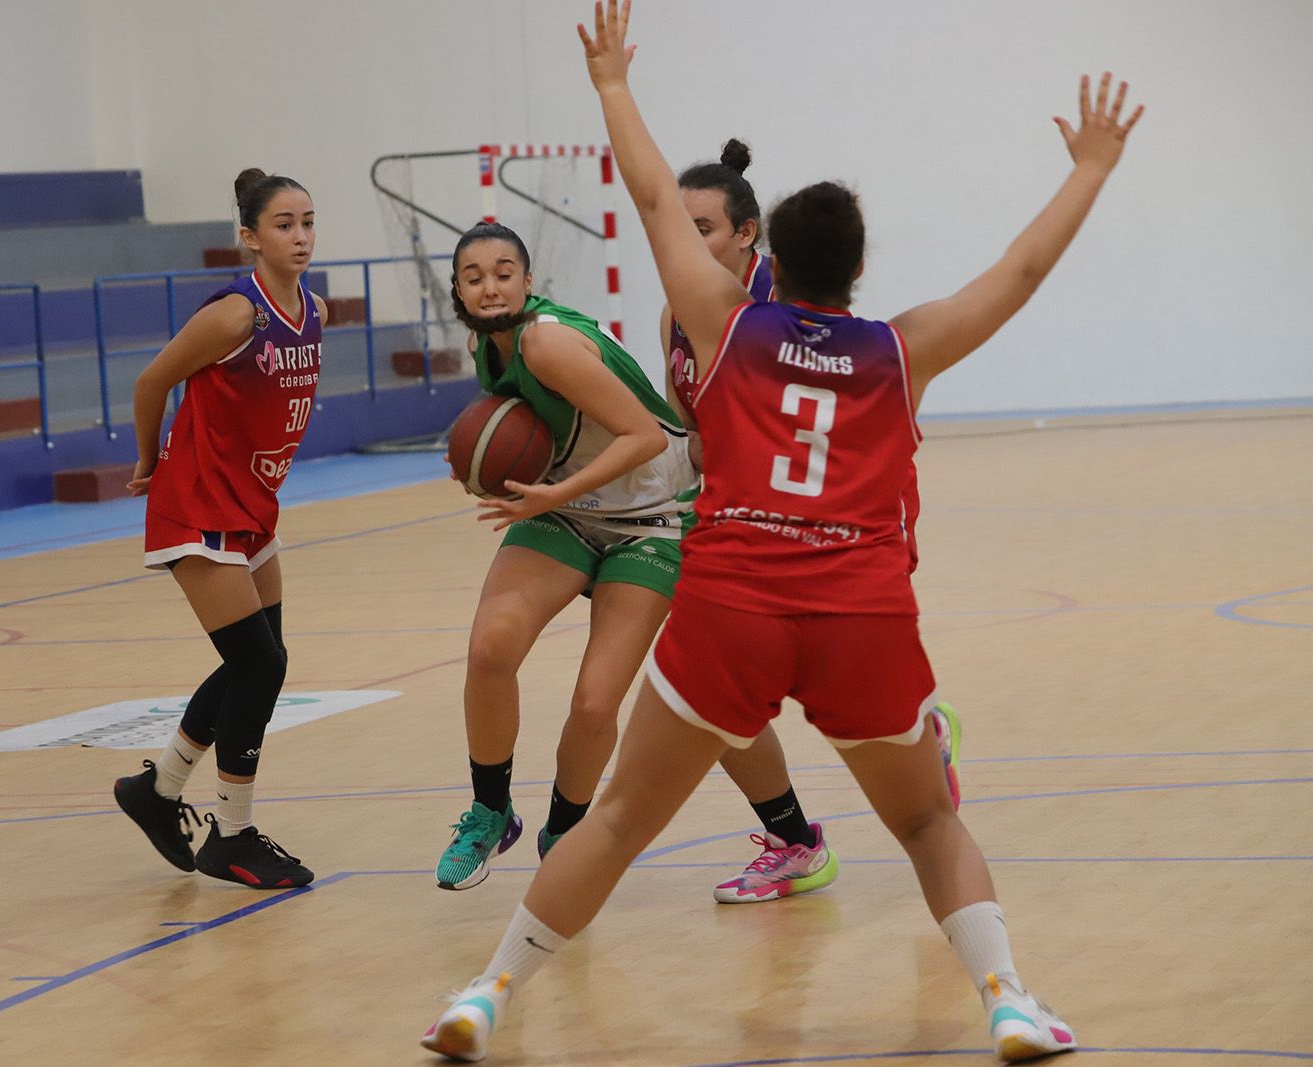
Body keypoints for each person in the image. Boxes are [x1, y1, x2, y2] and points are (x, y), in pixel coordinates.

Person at [421, 3, 1141, 1063]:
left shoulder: (723, 323)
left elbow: (658, 197)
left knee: (617, 821)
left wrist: (613, 84)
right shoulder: (904, 347)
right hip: (860, 611)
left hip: (733, 604)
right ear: (857, 269)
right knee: (929, 823)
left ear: (770, 259)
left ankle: (485, 993)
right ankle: (1009, 1000)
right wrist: (1088, 167)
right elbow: (1019, 272)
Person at [666, 139, 963, 903]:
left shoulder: (772, 305)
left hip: (848, 510)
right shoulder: (684, 309)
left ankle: (913, 736)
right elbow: (696, 420)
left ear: (746, 235)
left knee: (851, 654)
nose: (686, 240)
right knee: (717, 697)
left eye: (700, 227)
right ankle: (797, 835)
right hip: (751, 520)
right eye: (679, 224)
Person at [432, 220, 700, 891]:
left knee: (592, 703)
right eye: (474, 276)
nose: (490, 286)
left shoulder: (544, 340)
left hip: (650, 513)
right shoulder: (486, 345)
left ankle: (564, 830)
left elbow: (641, 435)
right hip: (568, 508)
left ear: (528, 281)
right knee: (490, 650)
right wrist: (479, 461)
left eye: (503, 272)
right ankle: (490, 810)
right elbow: (525, 429)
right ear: (457, 289)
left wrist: (548, 491)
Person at [112, 167, 325, 890]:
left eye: (307, 223)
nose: (299, 237)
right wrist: (148, 461)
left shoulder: (314, 309)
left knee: (264, 659)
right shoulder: (238, 314)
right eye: (283, 225)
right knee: (259, 666)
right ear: (250, 237)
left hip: (252, 505)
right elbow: (151, 381)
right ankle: (231, 836)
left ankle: (157, 790)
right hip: (196, 504)